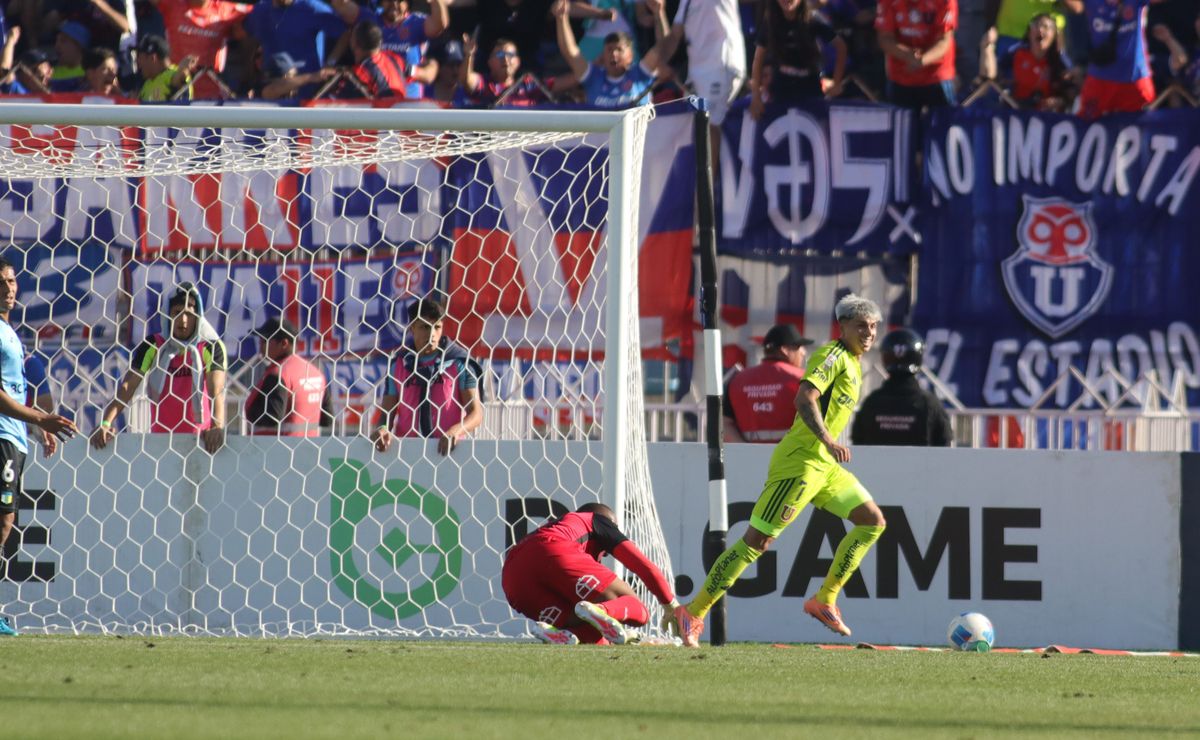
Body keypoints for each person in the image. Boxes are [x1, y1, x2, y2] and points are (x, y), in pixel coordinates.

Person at [673, 294, 888, 647]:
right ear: (843, 326)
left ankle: (825, 599)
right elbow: (804, 397)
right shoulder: (831, 356)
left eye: (874, 326)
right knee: (757, 541)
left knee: (872, 521)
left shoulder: (853, 362)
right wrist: (828, 440)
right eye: (861, 325)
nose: (869, 332)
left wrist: (828, 449)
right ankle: (693, 612)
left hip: (824, 466)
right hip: (800, 463)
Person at [0, 257, 78, 637]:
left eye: (12, 281)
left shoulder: (11, 334)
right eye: (1, 282)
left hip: (15, 438)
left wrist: (37, 427)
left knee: (6, 522)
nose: (9, 288)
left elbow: (24, 384)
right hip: (2, 436)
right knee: (2, 522)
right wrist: (39, 420)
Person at [503, 502, 680, 645]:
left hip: (512, 578)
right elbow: (643, 566)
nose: (604, 554)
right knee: (638, 609)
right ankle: (601, 610)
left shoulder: (558, 526)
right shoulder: (597, 521)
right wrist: (669, 604)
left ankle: (559, 635)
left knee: (594, 636)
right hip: (553, 551)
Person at [90, 283, 228, 454]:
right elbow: (128, 386)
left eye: (189, 314)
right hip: (160, 445)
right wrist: (106, 423)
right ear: (167, 315)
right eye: (177, 313)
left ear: (198, 317)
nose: (183, 320)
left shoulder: (211, 347)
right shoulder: (153, 345)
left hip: (200, 443)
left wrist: (217, 425)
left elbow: (217, 390)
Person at [370, 297, 483, 457]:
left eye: (437, 327)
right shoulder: (398, 365)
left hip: (447, 452)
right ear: (412, 328)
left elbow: (476, 413)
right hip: (406, 454)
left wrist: (456, 431)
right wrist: (382, 429)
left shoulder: (459, 363)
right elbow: (386, 415)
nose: (432, 334)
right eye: (424, 327)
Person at [552, 0, 670, 107]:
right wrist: (561, 19)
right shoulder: (593, 77)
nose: (614, 54)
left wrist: (659, 13)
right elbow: (570, 52)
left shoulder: (640, 75)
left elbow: (662, 48)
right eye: (609, 49)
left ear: (631, 56)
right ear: (603, 55)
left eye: (619, 50)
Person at [851, 328, 952, 447]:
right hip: (920, 466)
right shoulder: (930, 405)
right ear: (918, 358)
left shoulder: (871, 403)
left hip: (878, 466)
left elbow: (858, 444)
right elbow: (944, 445)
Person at [749, 0, 847, 117]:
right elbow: (758, 60)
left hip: (810, 85)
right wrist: (756, 97)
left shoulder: (812, 18)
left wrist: (836, 82)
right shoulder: (771, 21)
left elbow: (841, 46)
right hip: (782, 87)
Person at [723, 323, 814, 443]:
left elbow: (725, 424)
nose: (803, 352)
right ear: (785, 350)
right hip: (792, 458)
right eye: (799, 347)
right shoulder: (803, 379)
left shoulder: (736, 381)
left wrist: (745, 451)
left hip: (749, 458)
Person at [244, 316, 333, 436]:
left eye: (265, 341)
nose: (260, 346)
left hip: (275, 450)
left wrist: (252, 410)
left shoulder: (279, 374)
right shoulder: (316, 373)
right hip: (310, 450)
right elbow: (327, 419)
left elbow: (271, 417)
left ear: (284, 343)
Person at [341, 0, 449, 99]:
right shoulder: (370, 19)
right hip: (375, 101)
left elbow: (440, 24)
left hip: (409, 102)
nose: (394, 4)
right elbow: (341, 5)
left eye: (399, 0)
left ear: (407, 3)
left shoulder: (417, 23)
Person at [244, 0, 352, 98]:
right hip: (271, 88)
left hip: (308, 90)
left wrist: (330, 62)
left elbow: (345, 33)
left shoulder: (312, 7)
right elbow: (245, 36)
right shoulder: (259, 10)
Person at [153, 0, 252, 99]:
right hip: (176, 92)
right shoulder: (172, 4)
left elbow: (260, 14)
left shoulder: (228, 10)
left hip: (212, 98)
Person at [1076, 0, 1155, 117]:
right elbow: (1076, 7)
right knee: (1085, 124)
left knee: (1139, 127)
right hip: (1100, 79)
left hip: (1134, 79)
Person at [875, 0, 958, 109]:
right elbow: (884, 38)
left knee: (942, 123)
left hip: (937, 75)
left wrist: (922, 60)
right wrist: (907, 55)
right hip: (901, 76)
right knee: (901, 123)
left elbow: (944, 40)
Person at [982, 13, 1073, 110]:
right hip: (1016, 109)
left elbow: (1071, 91)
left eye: (1046, 27)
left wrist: (1059, 100)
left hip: (1046, 115)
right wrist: (987, 48)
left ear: (1054, 35)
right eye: (1037, 25)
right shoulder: (1016, 52)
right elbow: (993, 75)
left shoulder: (1059, 60)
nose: (1040, 30)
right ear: (1029, 33)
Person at [459, 36, 548, 107]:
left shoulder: (529, 85)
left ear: (518, 61)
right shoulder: (484, 83)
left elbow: (561, 83)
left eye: (510, 55)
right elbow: (466, 80)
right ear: (489, 62)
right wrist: (469, 55)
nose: (505, 59)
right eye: (500, 54)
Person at [348, 20, 408, 98]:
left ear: (355, 43)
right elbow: (425, 75)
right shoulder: (394, 59)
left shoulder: (361, 72)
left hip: (382, 109)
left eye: (351, 35)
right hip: (402, 107)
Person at [135, 34, 199, 101]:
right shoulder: (147, 84)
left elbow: (180, 78)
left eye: (139, 57)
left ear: (152, 58)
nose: (137, 61)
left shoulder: (172, 74)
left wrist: (183, 70)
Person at [51, 21, 90, 92]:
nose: (57, 46)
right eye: (56, 41)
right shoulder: (49, 72)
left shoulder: (90, 74)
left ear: (79, 46)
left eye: (63, 41)